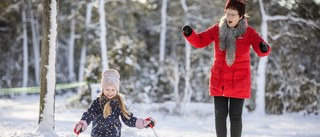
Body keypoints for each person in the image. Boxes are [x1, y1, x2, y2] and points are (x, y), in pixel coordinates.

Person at [182, 0, 270, 137]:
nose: (229, 17)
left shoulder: (249, 32)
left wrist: (263, 48)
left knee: (235, 116)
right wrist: (190, 34)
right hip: (220, 79)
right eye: (228, 14)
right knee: (220, 115)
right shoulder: (217, 29)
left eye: (233, 15)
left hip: (239, 81)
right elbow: (200, 41)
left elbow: (260, 49)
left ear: (241, 16)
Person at [74, 69, 156, 137]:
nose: (110, 92)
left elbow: (129, 119)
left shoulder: (119, 103)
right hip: (97, 135)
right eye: (107, 89)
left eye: (113, 90)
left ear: (117, 90)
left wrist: (143, 123)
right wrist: (82, 124)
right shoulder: (97, 102)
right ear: (102, 89)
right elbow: (89, 114)